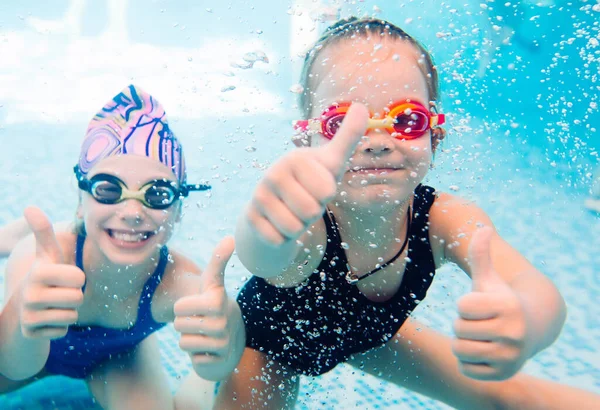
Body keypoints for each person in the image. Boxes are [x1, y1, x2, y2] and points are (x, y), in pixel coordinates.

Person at [209, 17, 600, 409]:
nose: (377, 142)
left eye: (406, 121)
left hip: (368, 336)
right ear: (305, 137)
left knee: (505, 395)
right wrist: (264, 221)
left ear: (435, 131)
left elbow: (534, 288)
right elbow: (264, 256)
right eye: (341, 123)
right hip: (264, 345)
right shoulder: (306, 222)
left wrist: (527, 323)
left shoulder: (447, 220)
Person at [0, 84, 245, 410]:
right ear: (80, 200)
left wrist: (225, 337)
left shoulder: (179, 281)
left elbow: (220, 357)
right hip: (33, 348)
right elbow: (13, 365)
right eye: (107, 189)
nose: (132, 213)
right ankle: (8, 236)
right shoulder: (40, 257)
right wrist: (22, 319)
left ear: (178, 211)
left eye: (157, 195)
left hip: (118, 358)